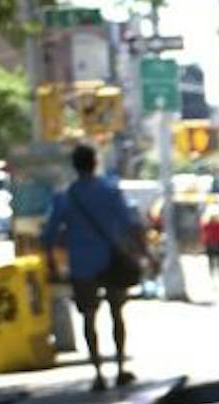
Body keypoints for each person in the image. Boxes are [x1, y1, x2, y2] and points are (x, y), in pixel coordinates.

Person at [42, 143, 143, 390]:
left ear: (74, 167)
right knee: (117, 314)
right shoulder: (110, 191)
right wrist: (143, 254)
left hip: (82, 265)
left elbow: (49, 235)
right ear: (95, 162)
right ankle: (120, 368)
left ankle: (97, 373)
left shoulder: (65, 197)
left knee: (88, 317)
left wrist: (52, 264)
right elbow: (130, 225)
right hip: (112, 261)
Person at [199, 195, 219, 288]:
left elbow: (203, 232)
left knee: (211, 261)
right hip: (218, 242)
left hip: (210, 243)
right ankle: (217, 276)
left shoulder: (206, 221)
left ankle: (213, 278)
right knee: (218, 261)